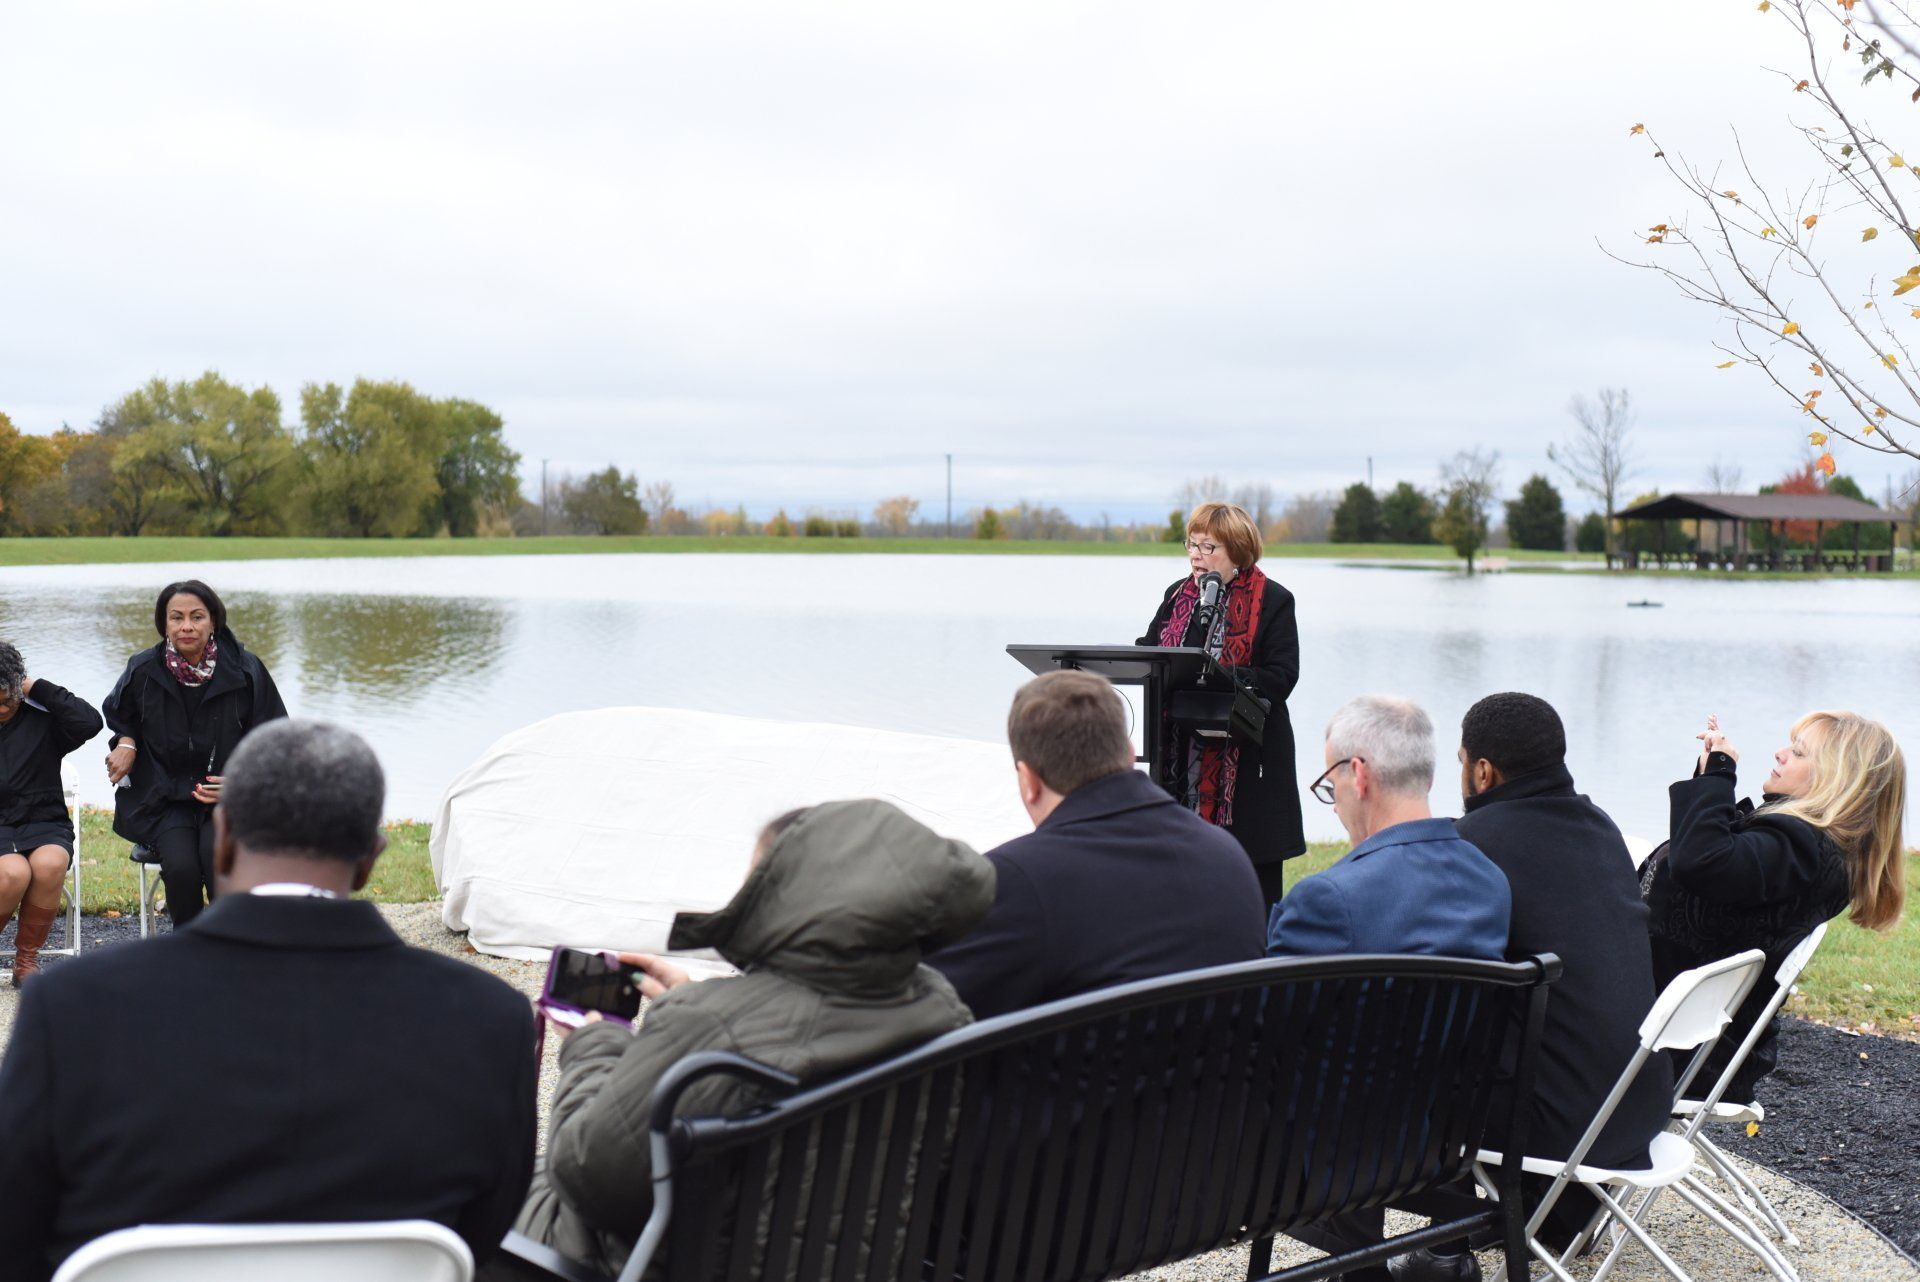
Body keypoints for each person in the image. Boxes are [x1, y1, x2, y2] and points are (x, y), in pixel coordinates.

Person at [0, 720, 539, 1280]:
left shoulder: (74, 1006)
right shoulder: (489, 1017)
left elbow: (16, 1230)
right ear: (371, 857)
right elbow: (480, 1231)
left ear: (224, 838)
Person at [509, 799, 996, 1279]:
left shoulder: (712, 1030)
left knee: (479, 1186)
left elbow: (587, 1177)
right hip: (848, 1261)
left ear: (791, 902)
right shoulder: (938, 1008)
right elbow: (807, 1019)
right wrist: (700, 1004)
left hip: (662, 1263)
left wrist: (595, 1043)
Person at [927, 670, 1265, 1018]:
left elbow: (930, 1008)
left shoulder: (1018, 879)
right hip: (1226, 1071)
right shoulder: (1227, 855)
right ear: (1130, 754)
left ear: (1028, 780)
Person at [1643, 710, 1906, 1104]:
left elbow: (1702, 863)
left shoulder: (1800, 848)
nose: (1780, 753)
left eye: (1799, 753)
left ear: (1837, 780)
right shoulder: (1798, 847)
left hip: (1676, 1048)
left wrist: (1719, 774)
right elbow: (1705, 859)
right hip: (1683, 1033)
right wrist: (1707, 779)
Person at [1137, 500, 1303, 907]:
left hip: (1249, 762)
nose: (1196, 555)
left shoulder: (1275, 600)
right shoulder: (1177, 596)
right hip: (1179, 759)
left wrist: (1220, 676)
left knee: (1253, 894)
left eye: (1209, 546)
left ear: (1238, 550)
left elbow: (1282, 675)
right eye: (1191, 544)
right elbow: (1151, 650)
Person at [102, 579, 287, 927]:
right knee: (182, 868)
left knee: (219, 860)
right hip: (165, 796)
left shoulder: (245, 670)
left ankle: (230, 949)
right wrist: (126, 742)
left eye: (197, 617)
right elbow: (119, 714)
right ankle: (189, 953)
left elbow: (274, 738)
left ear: (213, 621)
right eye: (177, 617)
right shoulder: (143, 670)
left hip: (228, 800)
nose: (186, 626)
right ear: (164, 624)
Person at [1266, 694, 1508, 959]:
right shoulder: (1490, 882)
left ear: (1359, 776)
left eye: (1332, 787)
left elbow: (1271, 1000)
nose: (1335, 806)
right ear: (1426, 779)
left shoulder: (1326, 900)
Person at [0, 644, 103, 984]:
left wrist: (36, 687)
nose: (1, 708)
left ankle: (26, 962)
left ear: (19, 689)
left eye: (8, 699)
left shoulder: (44, 720)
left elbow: (89, 721)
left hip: (44, 822)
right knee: (13, 873)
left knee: (50, 863)